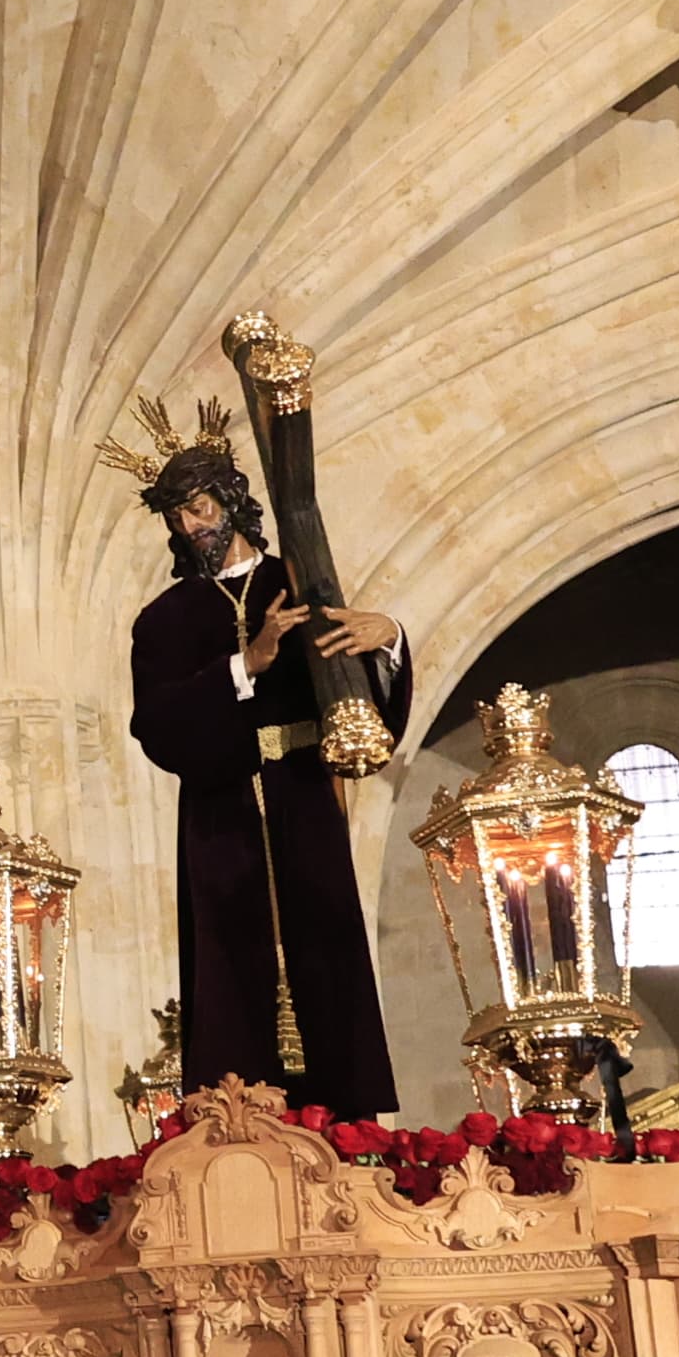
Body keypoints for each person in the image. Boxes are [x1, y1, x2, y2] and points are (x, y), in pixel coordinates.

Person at [123, 436, 410, 1114]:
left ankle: (348, 1129)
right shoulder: (162, 621)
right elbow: (154, 724)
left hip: (306, 800)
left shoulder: (299, 580)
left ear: (230, 501)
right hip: (221, 818)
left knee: (329, 948)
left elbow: (355, 701)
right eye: (176, 518)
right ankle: (238, 1129)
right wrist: (243, 666)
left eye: (198, 508)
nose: (190, 528)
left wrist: (390, 637)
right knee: (230, 967)